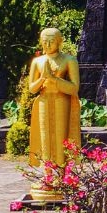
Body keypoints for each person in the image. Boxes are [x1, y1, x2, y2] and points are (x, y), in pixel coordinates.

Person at [26, 28, 81, 198]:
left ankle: (62, 175)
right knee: (44, 138)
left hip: (61, 101)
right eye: (44, 41)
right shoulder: (37, 61)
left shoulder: (69, 60)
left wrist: (53, 78)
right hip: (43, 101)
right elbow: (31, 89)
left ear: (59, 41)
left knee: (60, 138)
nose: (48, 45)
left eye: (51, 41)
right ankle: (47, 175)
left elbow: (74, 88)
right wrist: (43, 78)